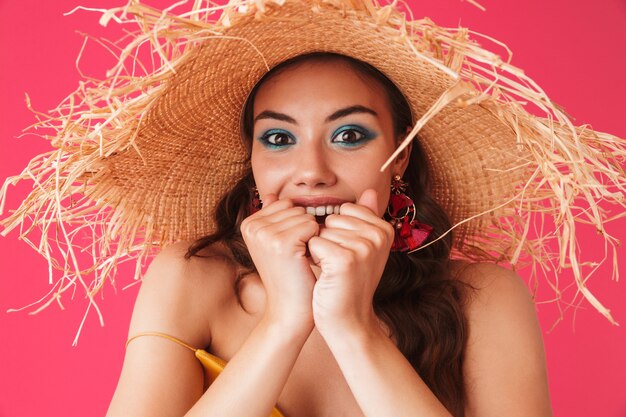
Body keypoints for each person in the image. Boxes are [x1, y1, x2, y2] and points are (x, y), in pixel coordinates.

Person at [1, 0, 624, 416]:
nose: (313, 172)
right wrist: (285, 321)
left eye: (350, 135)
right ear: (253, 163)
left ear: (400, 156)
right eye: (278, 139)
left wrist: (351, 328)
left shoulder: (483, 296)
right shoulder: (193, 275)